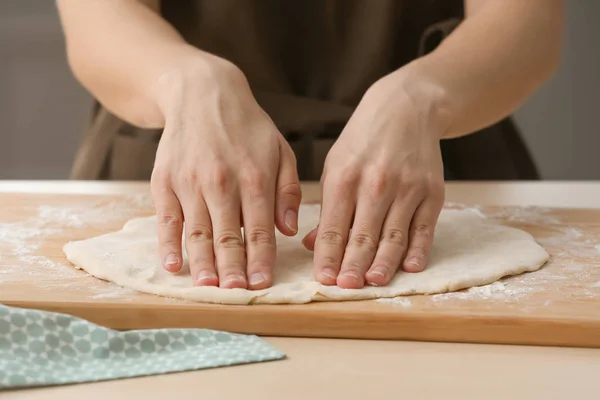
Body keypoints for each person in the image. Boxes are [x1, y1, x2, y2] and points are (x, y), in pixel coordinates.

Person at [56, 0, 564, 291]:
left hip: (436, 152)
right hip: (175, 145)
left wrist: (424, 95)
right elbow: (99, 21)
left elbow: (528, 26)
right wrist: (187, 81)